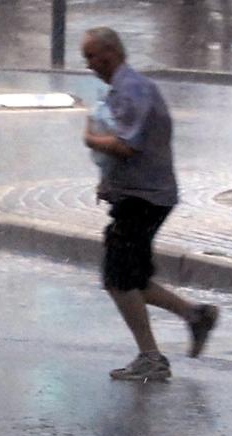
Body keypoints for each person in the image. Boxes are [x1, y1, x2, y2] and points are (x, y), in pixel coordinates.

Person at [81, 27, 218, 381]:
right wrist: (107, 181)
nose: (90, 64)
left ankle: (151, 357)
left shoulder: (134, 90)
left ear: (111, 53)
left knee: (118, 279)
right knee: (133, 277)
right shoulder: (122, 90)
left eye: (93, 56)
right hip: (139, 194)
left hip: (145, 198)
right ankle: (196, 316)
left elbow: (128, 146)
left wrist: (91, 139)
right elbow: (124, 153)